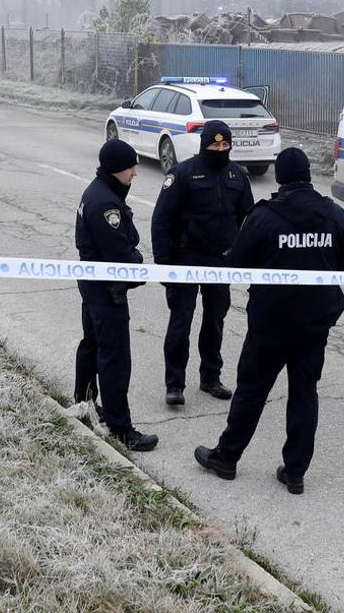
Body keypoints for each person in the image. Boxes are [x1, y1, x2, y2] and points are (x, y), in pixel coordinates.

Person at [194, 147, 344, 495]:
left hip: (271, 323)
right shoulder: (335, 215)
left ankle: (227, 457)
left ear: (280, 178)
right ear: (309, 176)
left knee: (251, 391)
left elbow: (237, 266)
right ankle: (295, 471)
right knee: (304, 393)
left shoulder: (264, 218)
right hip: (314, 324)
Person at [151, 119, 254, 406]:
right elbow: (162, 219)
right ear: (204, 144)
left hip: (220, 262)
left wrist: (242, 255)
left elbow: (249, 219)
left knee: (215, 322)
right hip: (186, 260)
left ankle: (211, 377)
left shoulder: (237, 175)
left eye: (225, 144)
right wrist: (164, 264)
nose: (220, 148)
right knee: (180, 323)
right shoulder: (183, 173)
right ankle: (175, 384)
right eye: (214, 143)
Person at [73, 138, 158, 452]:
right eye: (130, 167)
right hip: (107, 288)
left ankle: (83, 402)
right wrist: (138, 265)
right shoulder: (106, 203)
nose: (134, 173)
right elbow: (120, 254)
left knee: (92, 343)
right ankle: (119, 426)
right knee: (115, 356)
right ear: (115, 169)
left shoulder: (99, 191)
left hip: (94, 283)